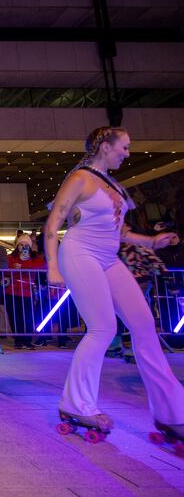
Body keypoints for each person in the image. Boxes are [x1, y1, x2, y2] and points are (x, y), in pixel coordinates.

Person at [45, 126, 184, 440]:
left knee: (144, 324)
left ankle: (172, 411)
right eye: (124, 146)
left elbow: (119, 233)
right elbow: (53, 224)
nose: (127, 152)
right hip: (80, 254)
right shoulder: (79, 178)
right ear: (105, 147)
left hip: (109, 258)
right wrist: (52, 266)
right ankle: (76, 404)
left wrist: (152, 242)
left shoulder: (114, 186)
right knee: (103, 328)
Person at [4, 234, 43, 349]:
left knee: (28, 317)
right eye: (21, 245)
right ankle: (18, 340)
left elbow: (39, 266)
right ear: (17, 246)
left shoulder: (35, 258)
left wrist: (23, 264)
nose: (24, 247)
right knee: (15, 317)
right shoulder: (10, 258)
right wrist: (17, 268)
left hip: (27, 292)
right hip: (12, 291)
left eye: (26, 245)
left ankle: (27, 340)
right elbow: (5, 272)